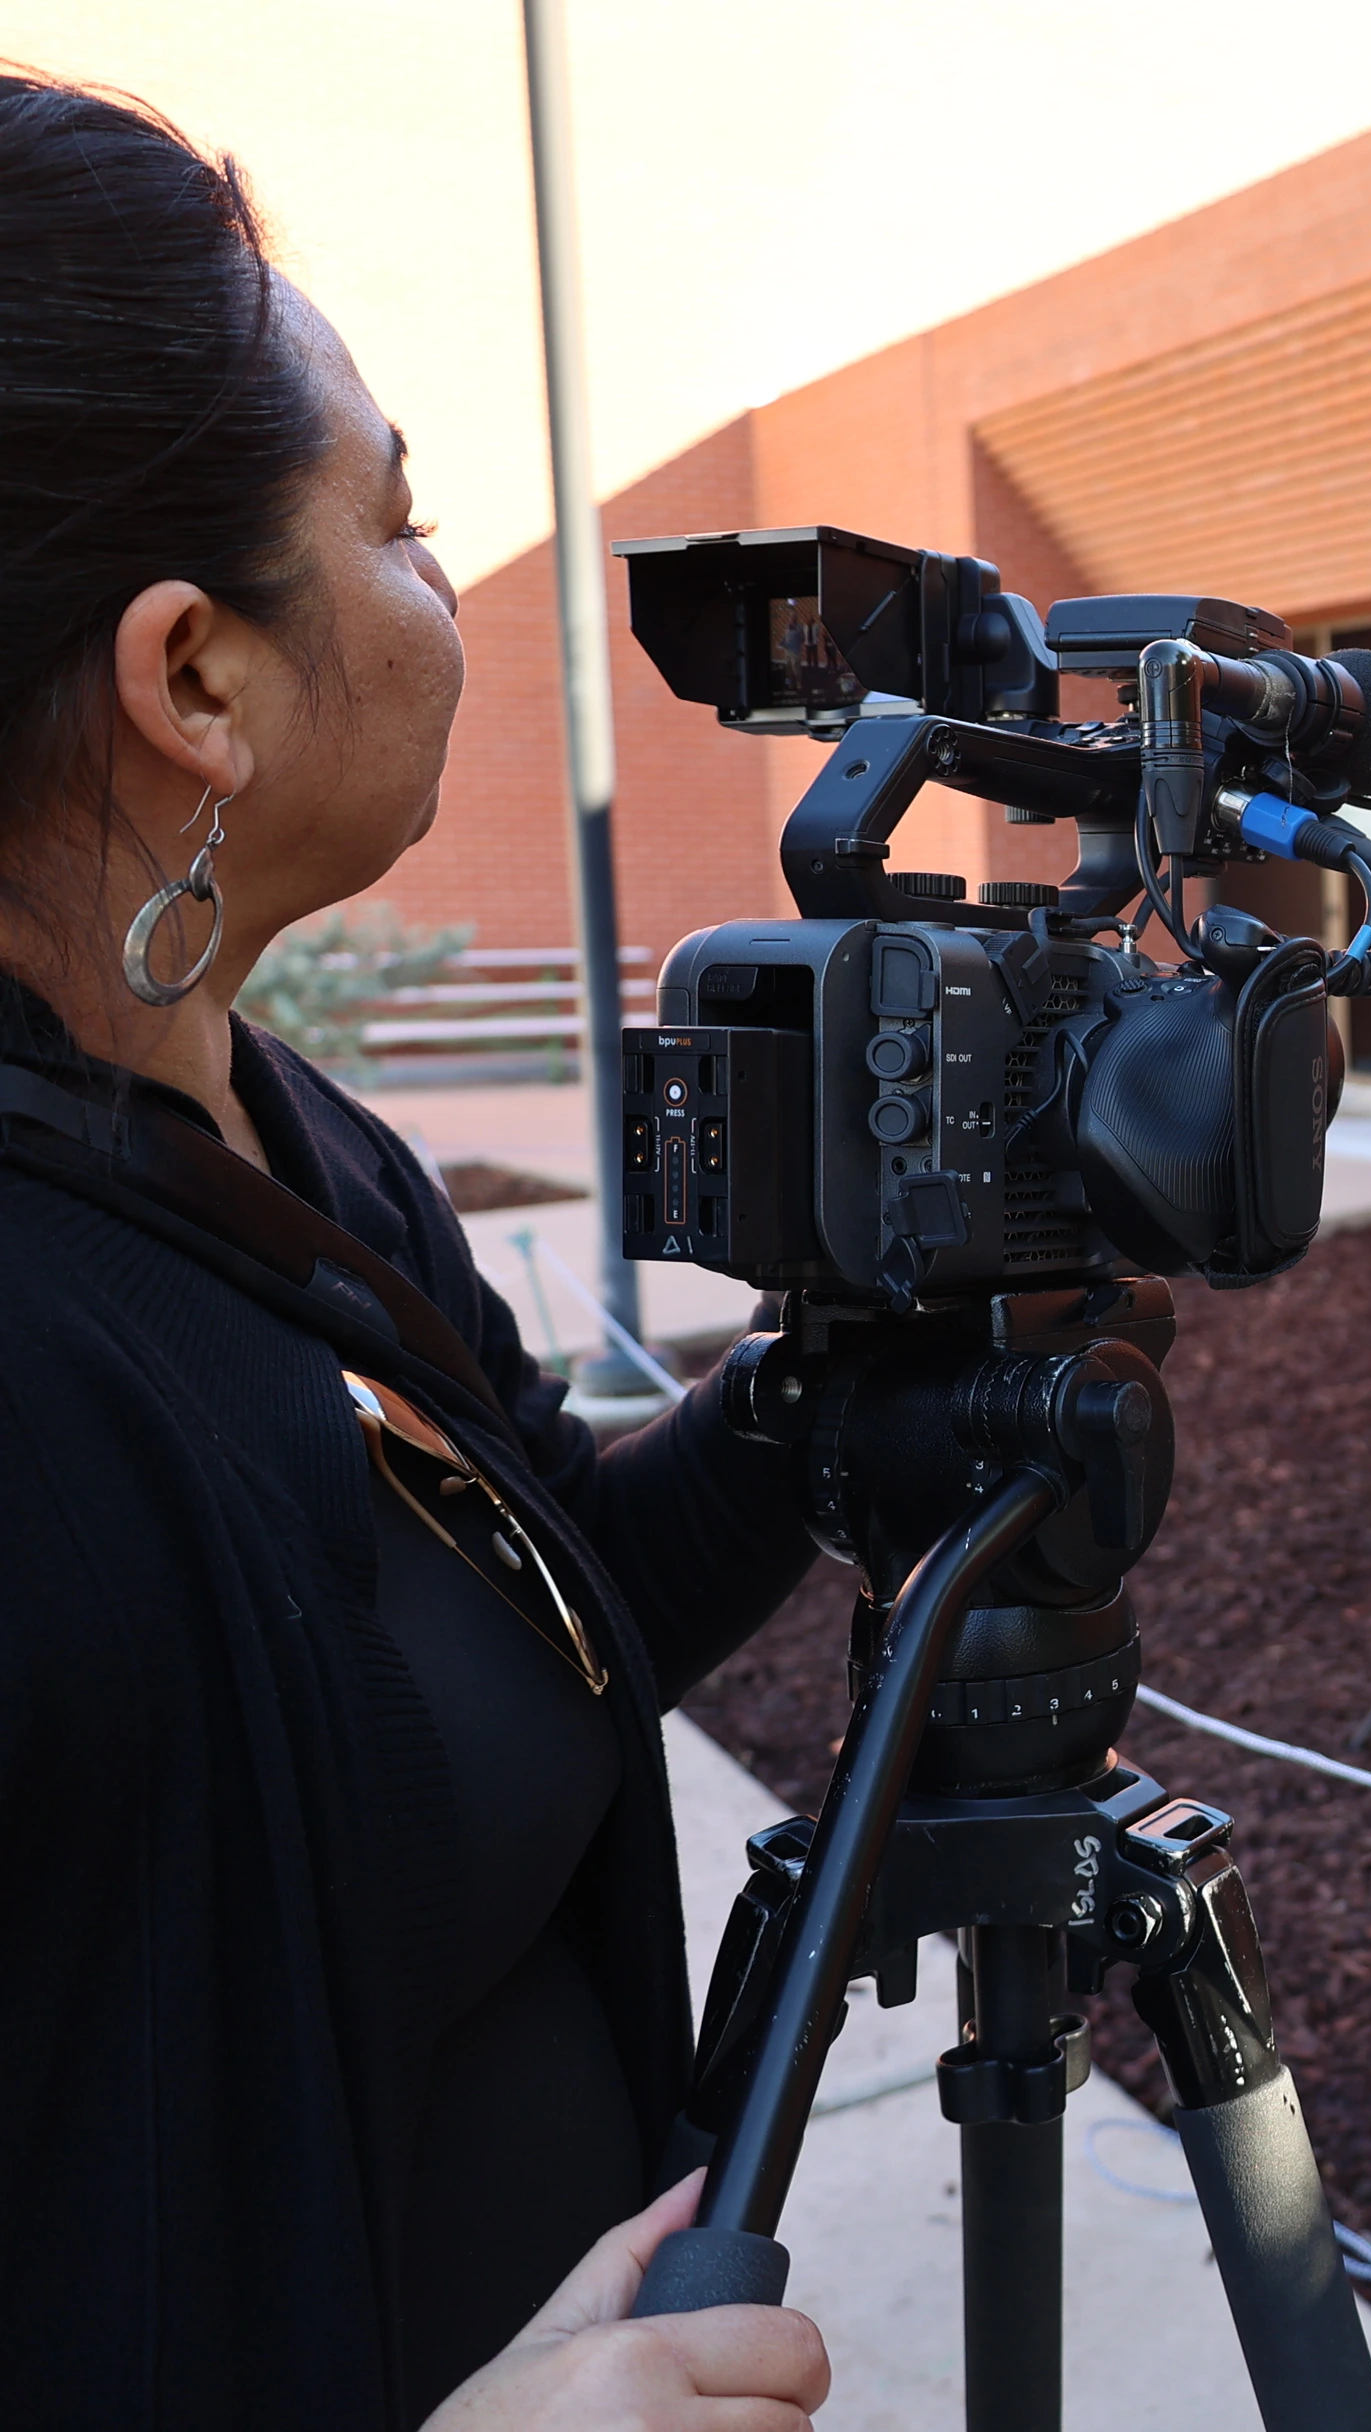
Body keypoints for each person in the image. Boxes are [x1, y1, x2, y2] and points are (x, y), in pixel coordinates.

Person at [0, 80, 830, 2428]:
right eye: (402, 520)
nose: (448, 593)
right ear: (195, 684)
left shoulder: (298, 1140)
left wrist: (854, 1367)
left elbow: (567, 1606)